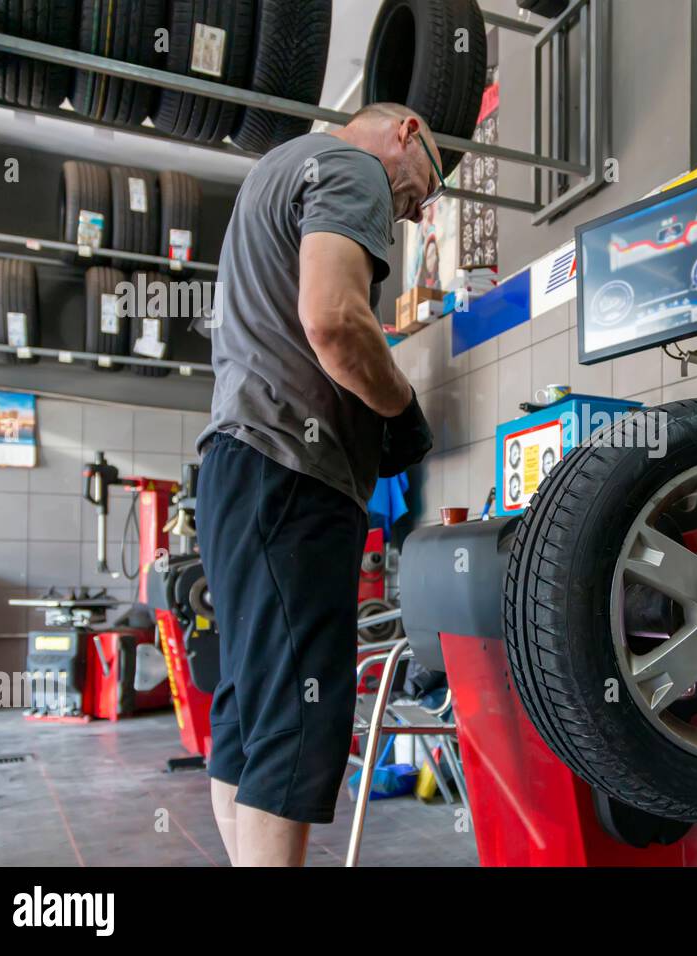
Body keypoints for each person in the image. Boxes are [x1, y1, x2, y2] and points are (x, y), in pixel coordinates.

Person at [194, 102, 439, 866]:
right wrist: (402, 409)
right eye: (420, 190)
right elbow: (333, 319)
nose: (412, 208)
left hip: (238, 469)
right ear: (405, 132)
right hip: (290, 474)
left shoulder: (272, 175)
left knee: (250, 708)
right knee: (296, 716)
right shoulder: (352, 167)